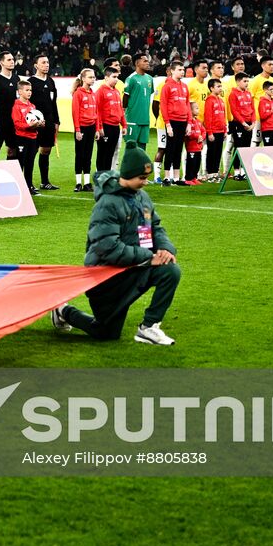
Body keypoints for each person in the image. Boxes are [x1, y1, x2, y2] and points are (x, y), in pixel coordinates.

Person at [49, 145, 180, 346]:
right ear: (128, 175)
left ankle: (149, 328)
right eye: (142, 178)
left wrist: (165, 248)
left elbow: (154, 226)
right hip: (104, 277)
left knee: (170, 270)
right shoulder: (107, 204)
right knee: (105, 333)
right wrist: (147, 257)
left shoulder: (142, 197)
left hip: (131, 267)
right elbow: (107, 248)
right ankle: (63, 310)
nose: (146, 182)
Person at [28, 53, 60, 190]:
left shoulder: (51, 81)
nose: (46, 65)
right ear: (36, 65)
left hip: (49, 121)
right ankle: (28, 183)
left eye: (47, 62)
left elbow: (54, 103)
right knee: (32, 151)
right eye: (43, 63)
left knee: (46, 150)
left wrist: (57, 121)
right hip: (35, 122)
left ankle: (45, 182)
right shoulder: (31, 82)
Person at [158, 61, 190, 185]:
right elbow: (163, 105)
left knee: (179, 149)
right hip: (172, 120)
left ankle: (176, 178)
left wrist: (188, 122)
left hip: (183, 121)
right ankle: (166, 177)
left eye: (183, 70)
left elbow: (187, 104)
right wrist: (167, 124)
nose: (182, 72)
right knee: (170, 148)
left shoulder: (184, 86)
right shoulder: (167, 86)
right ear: (172, 71)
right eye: (179, 70)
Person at [71, 68, 101, 192]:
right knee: (80, 155)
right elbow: (75, 113)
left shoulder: (94, 94)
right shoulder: (78, 93)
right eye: (90, 77)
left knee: (88, 155)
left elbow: (97, 113)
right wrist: (77, 130)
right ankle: (78, 183)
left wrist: (97, 129)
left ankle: (87, 183)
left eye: (93, 77)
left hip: (91, 127)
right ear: (83, 79)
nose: (92, 79)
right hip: (82, 127)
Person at [10, 79, 43, 194]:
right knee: (20, 162)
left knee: (30, 163)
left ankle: (29, 186)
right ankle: (18, 186)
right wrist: (29, 125)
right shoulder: (16, 106)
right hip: (21, 138)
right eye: (27, 90)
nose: (30, 92)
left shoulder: (32, 106)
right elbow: (17, 124)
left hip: (33, 138)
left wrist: (39, 124)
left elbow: (35, 122)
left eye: (30, 90)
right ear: (20, 92)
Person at [94, 64, 126, 172]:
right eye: (114, 77)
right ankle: (100, 177)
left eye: (117, 77)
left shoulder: (116, 92)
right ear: (106, 77)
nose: (116, 79)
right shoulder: (100, 92)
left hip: (115, 127)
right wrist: (99, 127)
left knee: (110, 153)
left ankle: (106, 176)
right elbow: (97, 111)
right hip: (105, 127)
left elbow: (120, 109)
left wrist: (124, 125)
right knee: (102, 152)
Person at [0, 51, 20, 161]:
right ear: (1, 63)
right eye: (9, 60)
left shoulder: (17, 79)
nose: (12, 62)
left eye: (13, 59)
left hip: (13, 122)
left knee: (12, 150)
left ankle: (9, 176)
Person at [121, 54, 155, 153]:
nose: (147, 63)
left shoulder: (149, 78)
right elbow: (125, 97)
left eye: (148, 61)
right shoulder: (131, 78)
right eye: (144, 61)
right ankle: (128, 168)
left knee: (142, 148)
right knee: (131, 147)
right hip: (133, 119)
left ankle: (141, 168)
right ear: (137, 63)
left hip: (145, 119)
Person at [226, 73, 256, 177]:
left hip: (249, 124)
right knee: (239, 147)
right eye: (245, 81)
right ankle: (236, 172)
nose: (247, 83)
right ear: (238, 82)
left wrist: (253, 122)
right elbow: (234, 111)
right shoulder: (233, 94)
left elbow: (252, 109)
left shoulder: (248, 93)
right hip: (238, 124)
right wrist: (243, 123)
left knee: (247, 148)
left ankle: (244, 171)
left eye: (248, 81)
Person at [203, 78, 227, 180]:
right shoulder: (209, 100)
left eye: (221, 86)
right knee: (211, 152)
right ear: (211, 88)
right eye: (218, 86)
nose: (220, 88)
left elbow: (224, 116)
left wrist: (225, 130)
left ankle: (216, 172)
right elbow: (208, 117)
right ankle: (210, 174)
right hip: (213, 131)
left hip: (221, 131)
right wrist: (210, 132)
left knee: (218, 152)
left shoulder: (221, 100)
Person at [257, 81, 273, 147]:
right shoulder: (262, 102)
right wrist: (271, 111)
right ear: (265, 90)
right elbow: (262, 116)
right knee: (268, 147)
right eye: (271, 89)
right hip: (267, 129)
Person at [184, 114, 205, 185]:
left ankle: (194, 178)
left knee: (197, 163)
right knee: (191, 163)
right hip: (191, 148)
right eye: (196, 108)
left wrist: (202, 137)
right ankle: (188, 178)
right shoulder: (189, 123)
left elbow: (203, 130)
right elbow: (188, 133)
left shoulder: (198, 121)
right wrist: (197, 136)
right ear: (191, 111)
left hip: (198, 148)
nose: (198, 110)